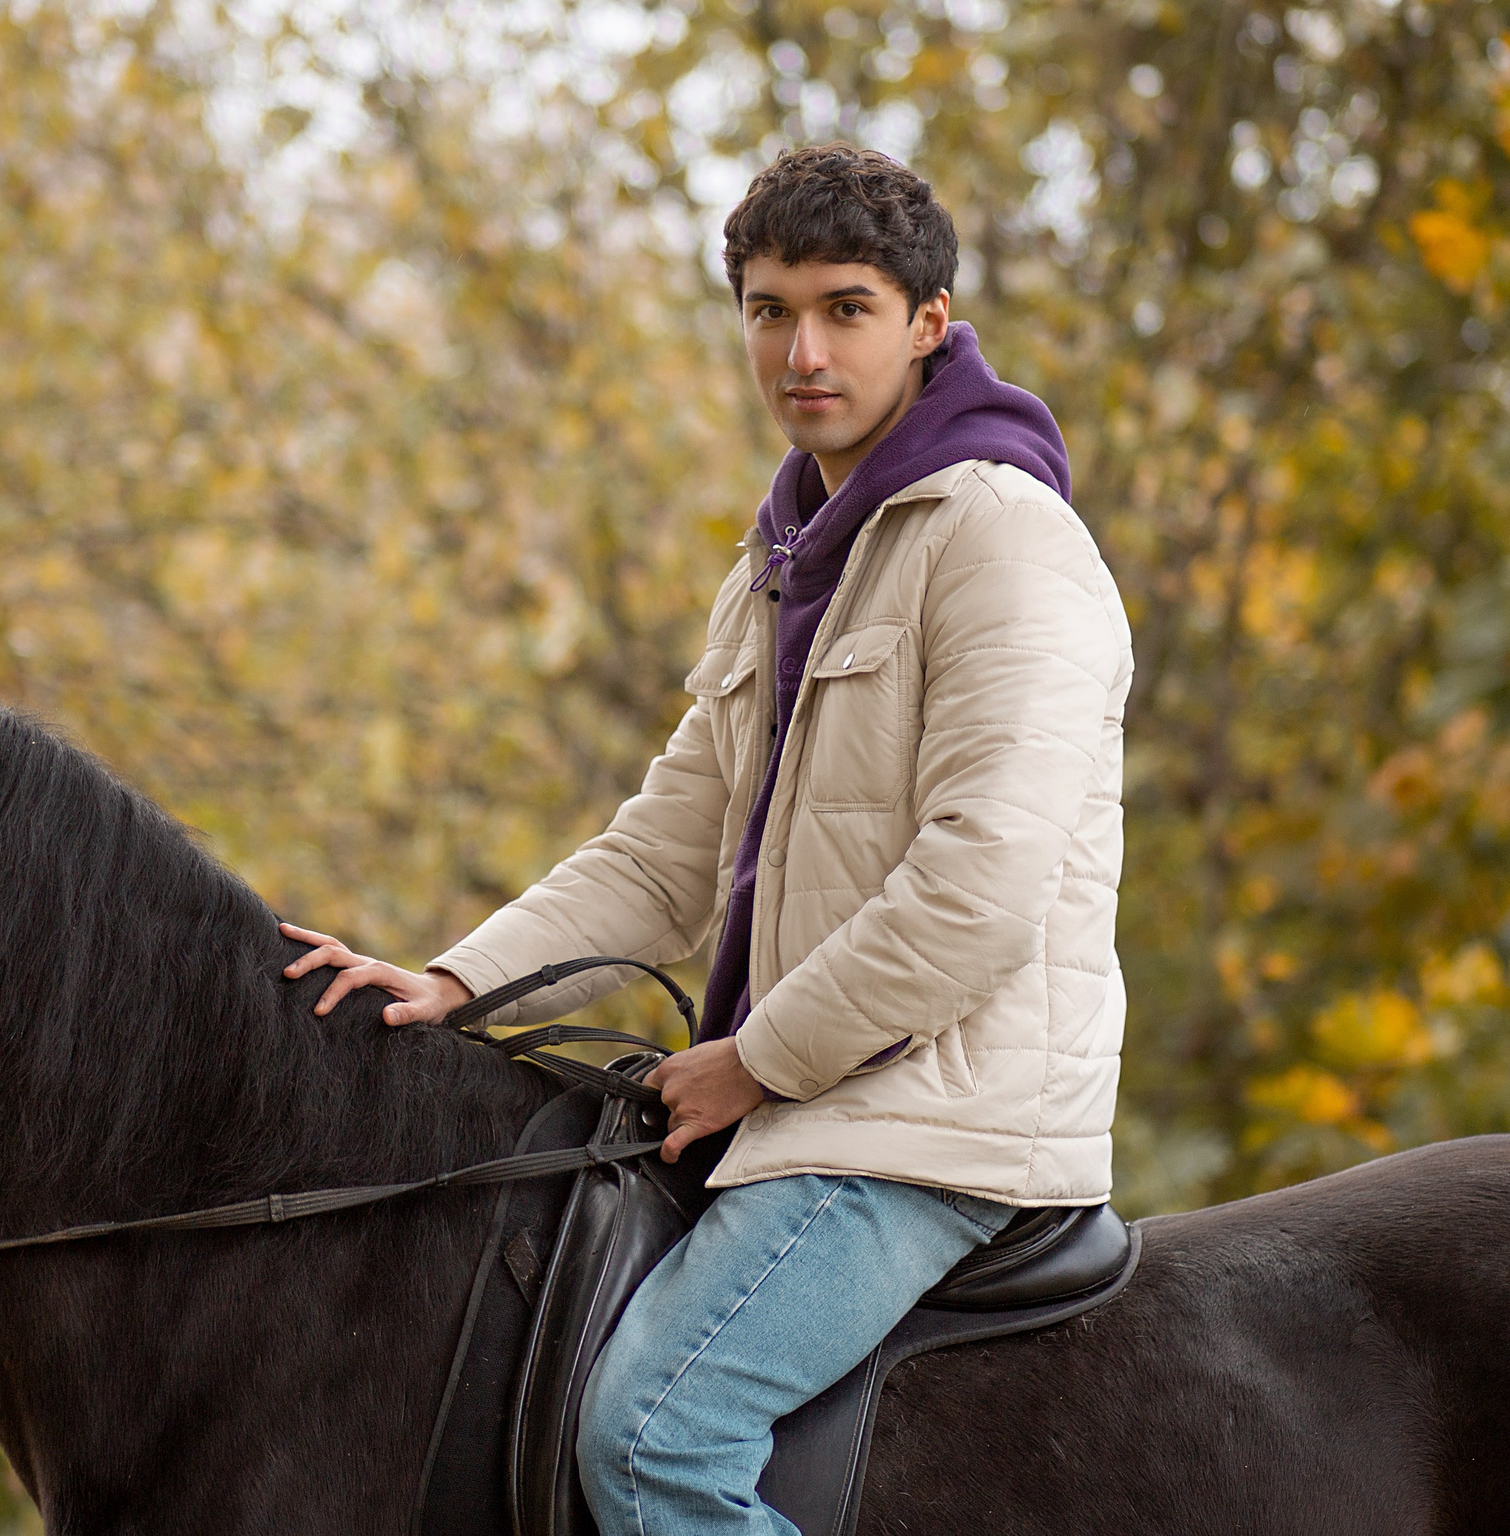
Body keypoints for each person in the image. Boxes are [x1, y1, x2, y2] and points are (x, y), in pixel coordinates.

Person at [282, 143, 1131, 1535]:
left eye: (846, 310)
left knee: (653, 1438)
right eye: (768, 310)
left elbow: (979, 887)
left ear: (928, 323)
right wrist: (455, 982)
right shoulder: (790, 552)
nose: (803, 352)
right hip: (809, 1105)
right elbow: (664, 852)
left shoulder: (1000, 538)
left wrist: (756, 1060)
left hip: (929, 1133)